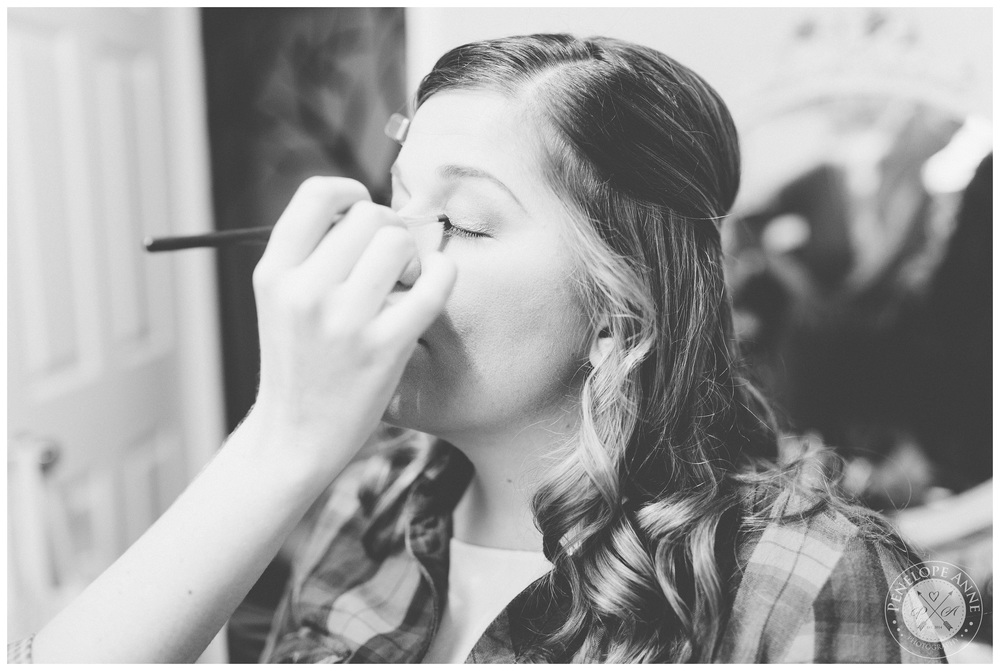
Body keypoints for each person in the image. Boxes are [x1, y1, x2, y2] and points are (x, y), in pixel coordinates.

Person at [11, 34, 938, 664]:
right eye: (397, 196)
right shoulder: (358, 499)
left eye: (458, 219)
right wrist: (282, 439)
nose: (390, 251)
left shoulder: (797, 579)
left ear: (624, 300)